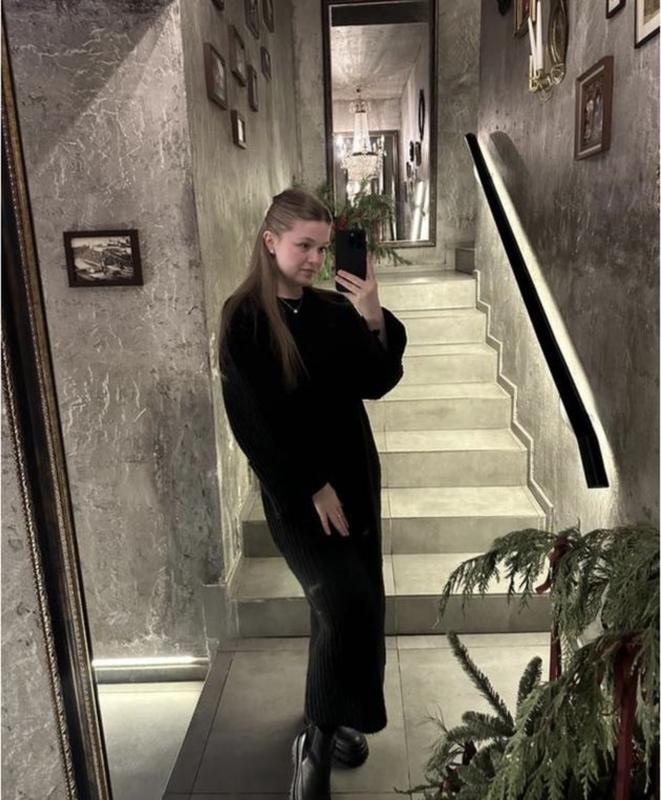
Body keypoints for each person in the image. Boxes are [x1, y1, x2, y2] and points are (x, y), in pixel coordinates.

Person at [218, 188, 407, 800]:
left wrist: (372, 313)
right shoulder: (244, 319)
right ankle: (316, 746)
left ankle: (336, 714)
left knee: (356, 602)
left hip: (355, 479)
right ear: (270, 240)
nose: (316, 260)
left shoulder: (330, 309)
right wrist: (313, 487)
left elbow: (377, 381)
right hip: (300, 493)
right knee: (344, 604)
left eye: (323, 249)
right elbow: (253, 424)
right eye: (305, 246)